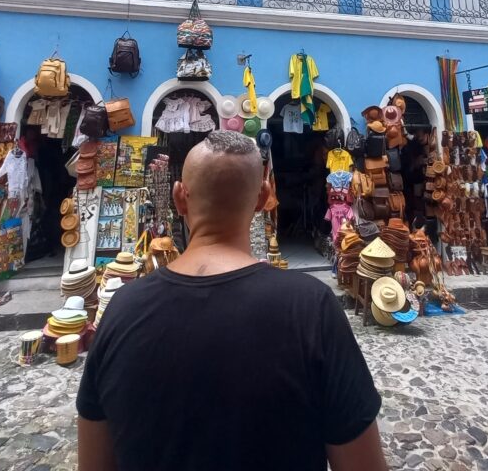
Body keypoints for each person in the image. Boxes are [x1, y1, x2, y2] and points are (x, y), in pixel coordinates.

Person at [77, 130, 387, 471]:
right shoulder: (312, 307)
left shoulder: (122, 309)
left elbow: (93, 459)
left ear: (180, 198)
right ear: (263, 198)